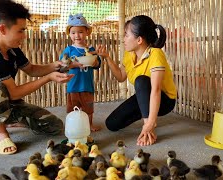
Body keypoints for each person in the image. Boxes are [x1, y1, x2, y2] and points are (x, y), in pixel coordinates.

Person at [0, 0, 74, 155]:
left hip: (7, 105)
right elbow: (14, 93)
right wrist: (48, 78)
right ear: (3, 29)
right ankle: (0, 133)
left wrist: (56, 65)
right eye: (20, 31)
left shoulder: (12, 50)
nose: (24, 35)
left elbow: (32, 69)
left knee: (54, 126)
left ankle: (5, 122)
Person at [96, 15, 177, 146]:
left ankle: (149, 125)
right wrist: (106, 57)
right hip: (144, 97)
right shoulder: (129, 54)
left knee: (141, 80)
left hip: (165, 100)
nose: (123, 39)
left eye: (126, 35)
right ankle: (147, 116)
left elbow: (155, 90)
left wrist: (149, 125)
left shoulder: (155, 54)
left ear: (139, 40)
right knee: (112, 124)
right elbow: (121, 77)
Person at [59, 13, 102, 132]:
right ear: (69, 34)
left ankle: (89, 124)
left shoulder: (91, 50)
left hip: (87, 85)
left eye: (80, 32)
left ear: (87, 32)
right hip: (73, 85)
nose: (77, 35)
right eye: (73, 32)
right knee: (73, 108)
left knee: (88, 107)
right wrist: (73, 64)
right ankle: (72, 126)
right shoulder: (69, 50)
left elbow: (98, 64)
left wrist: (95, 63)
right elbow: (61, 66)